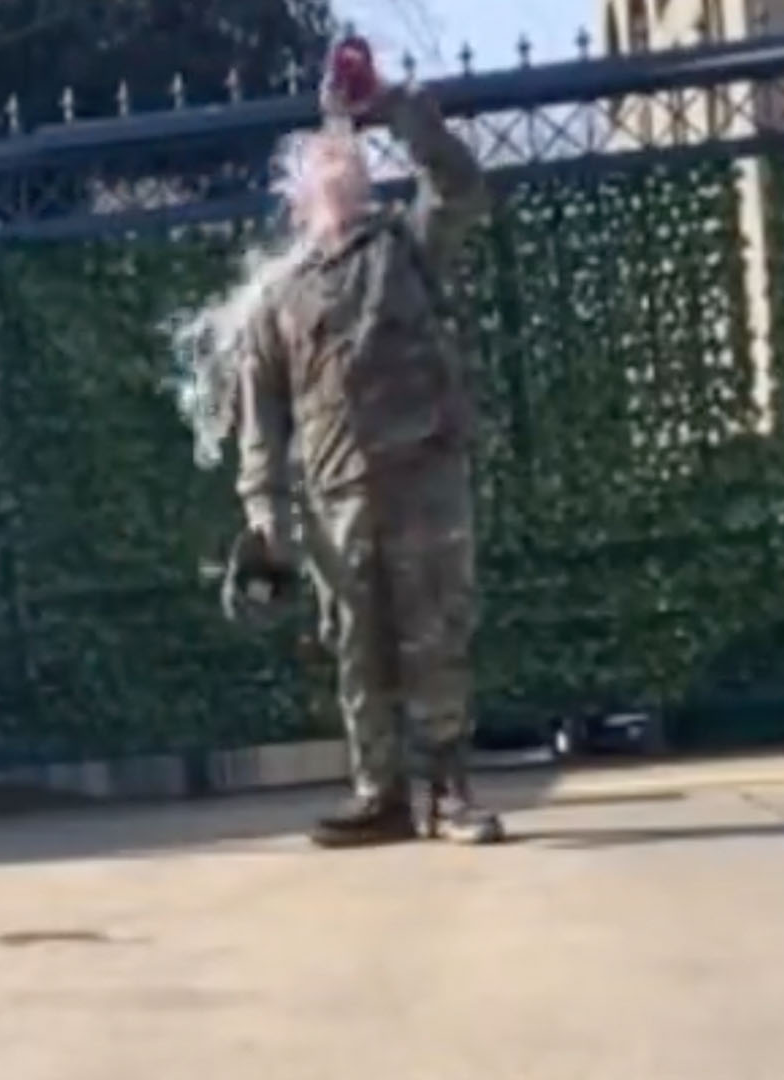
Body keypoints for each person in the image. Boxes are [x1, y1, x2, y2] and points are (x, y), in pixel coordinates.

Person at [229, 41, 502, 848]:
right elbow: (261, 417)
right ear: (297, 198)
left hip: (424, 481)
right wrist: (264, 513)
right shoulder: (279, 298)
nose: (336, 164)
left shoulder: (406, 247)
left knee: (436, 633)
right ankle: (378, 793)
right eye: (320, 162)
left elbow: (461, 186)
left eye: (346, 158)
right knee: (356, 644)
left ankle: (448, 790)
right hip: (336, 497)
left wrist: (391, 106)